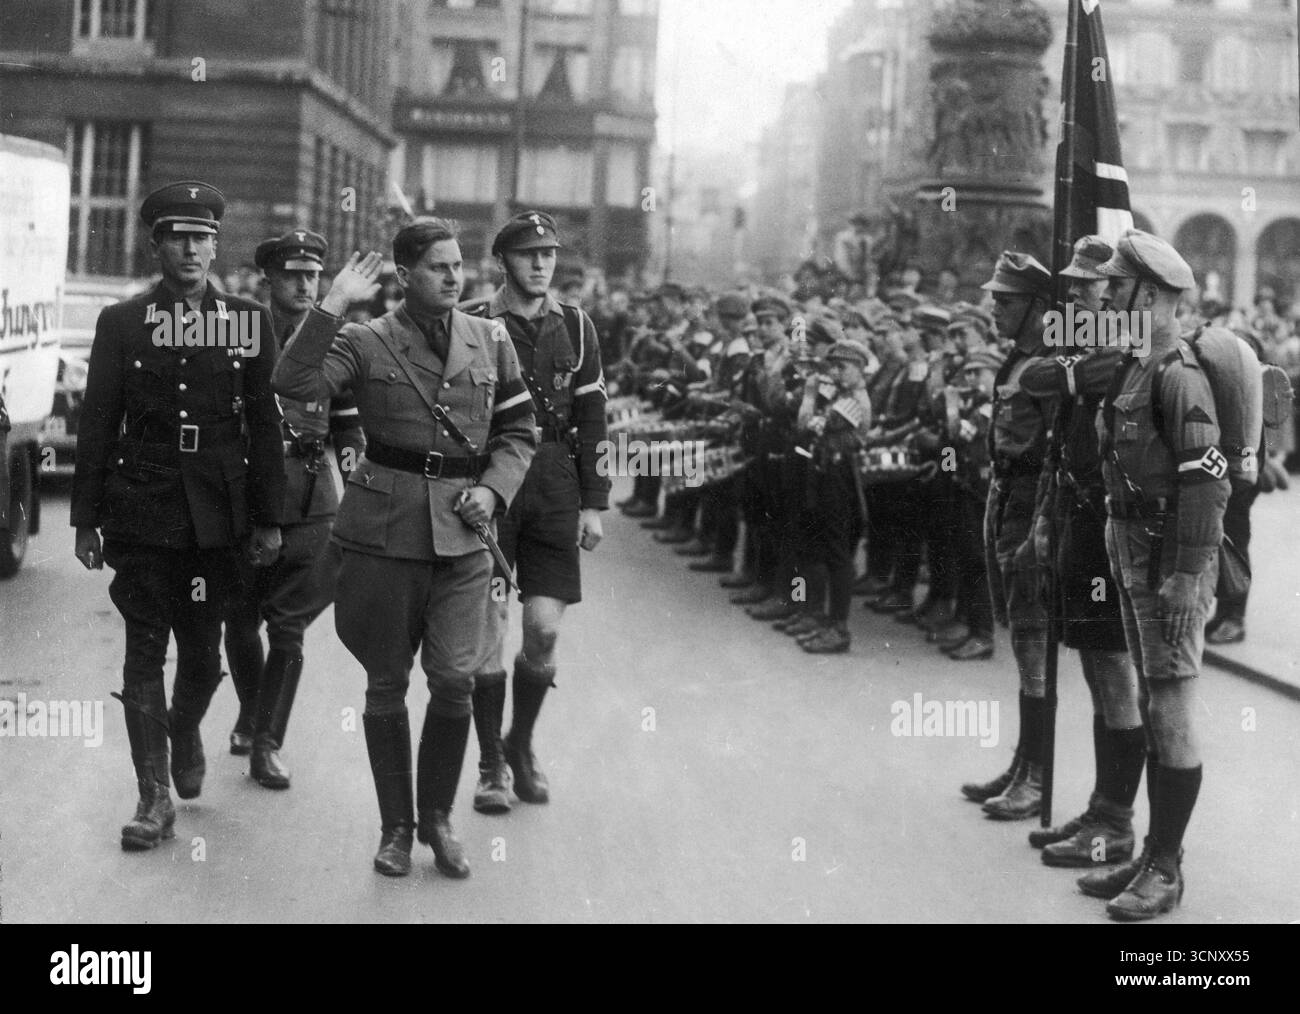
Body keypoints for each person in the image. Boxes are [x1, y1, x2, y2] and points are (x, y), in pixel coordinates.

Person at [272, 220, 537, 879]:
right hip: (383, 536)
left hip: (464, 535)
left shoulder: (491, 339)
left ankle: (440, 821)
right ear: (404, 274)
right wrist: (330, 305)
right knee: (386, 683)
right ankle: (397, 829)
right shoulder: (365, 340)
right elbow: (293, 384)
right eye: (438, 267)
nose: (454, 277)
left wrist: (495, 493)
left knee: (454, 679)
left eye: (458, 266)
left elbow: (518, 432)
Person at [72, 180, 286, 850]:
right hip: (144, 508)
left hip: (217, 516)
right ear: (157, 243)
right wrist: (86, 519)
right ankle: (152, 797)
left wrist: (269, 517)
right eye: (178, 236)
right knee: (143, 649)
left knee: (201, 655)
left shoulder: (249, 321)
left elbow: (265, 424)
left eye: (204, 237)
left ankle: (183, 724)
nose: (192, 249)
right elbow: (99, 423)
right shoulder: (123, 323)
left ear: (216, 246)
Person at [1077, 230, 1229, 920]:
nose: (1107, 293)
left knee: (1169, 710)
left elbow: (1206, 482)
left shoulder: (1178, 372)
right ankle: (1150, 853)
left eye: (1118, 285)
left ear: (1151, 295)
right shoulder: (1138, 364)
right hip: (1133, 545)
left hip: (1169, 558)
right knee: (1149, 697)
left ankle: (1167, 868)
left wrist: (1185, 576)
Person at [461, 210, 609, 813]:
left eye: (549, 254)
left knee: (544, 628)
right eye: (529, 254)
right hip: (493, 485)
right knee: (489, 630)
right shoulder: (471, 320)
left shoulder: (576, 327)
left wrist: (595, 503)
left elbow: (593, 418)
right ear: (504, 261)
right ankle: (491, 765)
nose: (542, 263)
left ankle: (519, 743)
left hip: (554, 485)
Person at [222, 229, 368, 789]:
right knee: (239, 617)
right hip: (248, 492)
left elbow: (349, 424)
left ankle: (267, 742)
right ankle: (253, 709)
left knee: (288, 624)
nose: (306, 284)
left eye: (314, 275)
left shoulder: (335, 341)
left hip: (311, 495)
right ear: (269, 281)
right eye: (293, 275)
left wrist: (356, 484)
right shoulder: (239, 333)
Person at [1017, 236, 1144, 867]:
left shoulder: (1125, 349)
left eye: (1087, 284)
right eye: (1071, 283)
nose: (1072, 291)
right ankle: (1102, 807)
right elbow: (1033, 381)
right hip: (1076, 516)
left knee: (1114, 673)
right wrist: (1044, 516)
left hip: (1111, 527)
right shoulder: (1086, 347)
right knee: (1096, 666)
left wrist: (1066, 370)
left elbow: (1050, 378)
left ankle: (1116, 824)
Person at [958, 252, 1056, 821]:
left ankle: (1038, 777)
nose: (993, 307)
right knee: (1023, 642)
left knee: (1034, 640)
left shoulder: (1046, 365)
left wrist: (1039, 527)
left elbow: (1055, 454)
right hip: (1007, 500)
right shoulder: (1019, 357)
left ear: (1038, 306)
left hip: (1030, 506)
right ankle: (1025, 763)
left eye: (1005, 300)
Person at [796, 341, 872, 653]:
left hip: (842, 481)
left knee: (839, 556)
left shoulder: (854, 401)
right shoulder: (843, 396)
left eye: (843, 367)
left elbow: (806, 424)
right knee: (824, 549)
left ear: (860, 369)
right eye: (835, 367)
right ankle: (826, 621)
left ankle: (839, 629)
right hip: (829, 476)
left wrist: (810, 394)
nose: (837, 373)